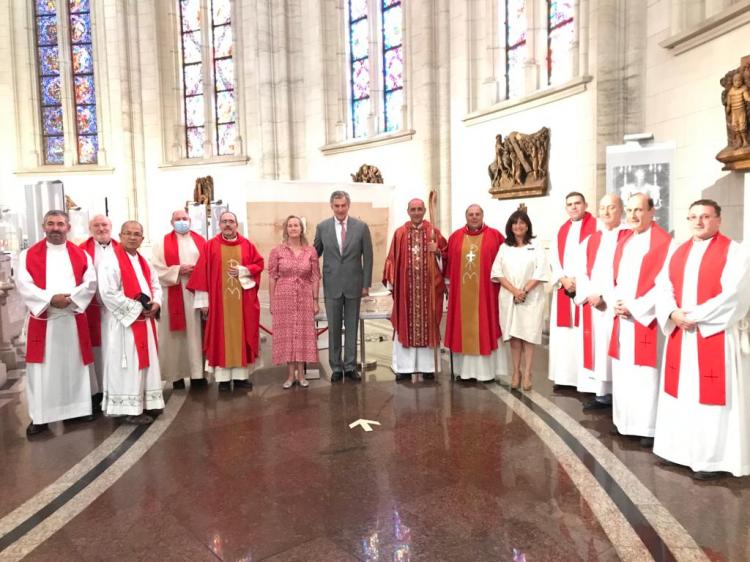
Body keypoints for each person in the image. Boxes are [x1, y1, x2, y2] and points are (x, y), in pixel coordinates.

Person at [654, 199, 750, 479]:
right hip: (683, 334)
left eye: (705, 216)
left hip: (714, 335)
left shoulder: (735, 252)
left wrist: (693, 316)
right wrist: (672, 312)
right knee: (682, 393)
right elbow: (663, 288)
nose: (699, 222)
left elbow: (735, 295)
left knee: (712, 401)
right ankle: (680, 451)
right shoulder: (678, 252)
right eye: (693, 216)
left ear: (718, 220)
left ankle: (712, 459)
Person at [16, 210, 97, 437]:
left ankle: (78, 410)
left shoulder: (81, 255)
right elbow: (24, 283)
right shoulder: (28, 255)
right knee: (42, 369)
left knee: (74, 365)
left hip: (71, 317)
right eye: (51, 224)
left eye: (60, 224)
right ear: (44, 227)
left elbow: (90, 282)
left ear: (68, 227)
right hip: (45, 319)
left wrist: (70, 299)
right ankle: (41, 417)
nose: (55, 228)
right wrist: (51, 299)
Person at [608, 193, 675, 447]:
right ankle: (625, 422)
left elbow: (665, 285)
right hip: (623, 316)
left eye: (639, 210)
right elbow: (616, 278)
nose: (633, 215)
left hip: (645, 319)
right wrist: (616, 301)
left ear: (651, 212)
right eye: (630, 210)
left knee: (646, 374)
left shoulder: (664, 243)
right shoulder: (625, 241)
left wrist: (634, 307)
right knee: (624, 371)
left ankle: (646, 427)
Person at [188, 211, 264, 392]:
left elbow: (259, 265)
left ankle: (240, 378)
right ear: (219, 225)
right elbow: (201, 275)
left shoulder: (247, 245)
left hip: (243, 302)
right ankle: (222, 380)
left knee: (243, 335)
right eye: (224, 222)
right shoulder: (210, 246)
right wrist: (203, 301)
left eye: (231, 221)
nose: (228, 224)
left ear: (236, 224)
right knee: (219, 338)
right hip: (218, 304)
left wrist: (244, 270)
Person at [98, 220, 164, 425]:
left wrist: (156, 304)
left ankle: (146, 403)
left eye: (137, 234)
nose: (133, 237)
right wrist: (137, 309)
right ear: (120, 235)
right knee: (128, 365)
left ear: (142, 239)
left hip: (144, 321)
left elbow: (156, 285)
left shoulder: (143, 261)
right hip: (124, 325)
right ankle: (129, 409)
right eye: (128, 233)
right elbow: (108, 293)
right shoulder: (111, 260)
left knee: (146, 363)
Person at [383, 198, 448, 381]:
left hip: (429, 291)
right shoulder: (400, 233)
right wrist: (393, 283)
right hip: (406, 292)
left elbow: (446, 258)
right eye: (413, 209)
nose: (417, 212)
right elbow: (392, 260)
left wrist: (437, 252)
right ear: (408, 211)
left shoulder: (433, 232)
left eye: (420, 209)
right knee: (406, 324)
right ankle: (404, 368)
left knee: (428, 325)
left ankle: (428, 368)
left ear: (425, 210)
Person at [313, 190, 373, 383]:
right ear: (332, 206)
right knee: (334, 329)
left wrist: (366, 285)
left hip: (354, 286)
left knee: (352, 326)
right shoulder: (322, 227)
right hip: (332, 286)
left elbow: (369, 258)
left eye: (343, 205)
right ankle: (336, 367)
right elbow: (314, 255)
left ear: (348, 206)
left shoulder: (361, 227)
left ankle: (350, 366)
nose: (340, 209)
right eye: (337, 206)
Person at [574, 194, 627, 410]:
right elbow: (582, 272)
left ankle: (619, 395)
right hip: (594, 304)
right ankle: (602, 394)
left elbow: (628, 274)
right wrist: (589, 295)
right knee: (599, 348)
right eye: (603, 207)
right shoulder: (592, 239)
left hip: (614, 303)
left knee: (616, 348)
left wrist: (605, 296)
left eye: (611, 207)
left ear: (621, 209)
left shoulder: (629, 237)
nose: (606, 212)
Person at [444, 204, 508, 382]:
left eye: (477, 214)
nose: (474, 217)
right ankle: (463, 371)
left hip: (487, 294)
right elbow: (446, 261)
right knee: (462, 330)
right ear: (466, 216)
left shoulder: (495, 236)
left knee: (486, 326)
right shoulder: (456, 237)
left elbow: (507, 259)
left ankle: (486, 372)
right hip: (461, 294)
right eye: (471, 214)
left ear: (482, 215)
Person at [490, 209, 549, 390]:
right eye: (515, 223)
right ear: (510, 226)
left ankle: (528, 372)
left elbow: (541, 271)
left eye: (522, 222)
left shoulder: (536, 245)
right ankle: (516, 371)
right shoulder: (504, 247)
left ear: (527, 225)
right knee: (514, 335)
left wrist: (524, 290)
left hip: (531, 297)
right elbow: (497, 272)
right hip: (509, 296)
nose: (518, 226)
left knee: (528, 334)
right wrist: (515, 291)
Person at [151, 210, 207, 390]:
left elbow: (209, 265)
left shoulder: (201, 242)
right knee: (175, 336)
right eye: (178, 219)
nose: (181, 221)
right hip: (172, 292)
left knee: (196, 334)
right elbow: (155, 269)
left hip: (195, 293)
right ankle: (176, 376)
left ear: (190, 220)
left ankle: (198, 375)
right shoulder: (161, 243)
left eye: (184, 219)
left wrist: (196, 271)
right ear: (171, 222)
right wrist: (177, 270)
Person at [549, 192, 597, 390]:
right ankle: (564, 377)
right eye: (570, 204)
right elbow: (553, 257)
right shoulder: (561, 230)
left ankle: (585, 380)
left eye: (578, 203)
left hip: (586, 289)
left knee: (583, 334)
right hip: (564, 288)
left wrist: (580, 282)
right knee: (565, 334)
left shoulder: (597, 227)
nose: (574, 207)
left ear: (585, 204)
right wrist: (563, 279)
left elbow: (599, 257)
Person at [268, 215, 321, 388]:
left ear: (301, 229)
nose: (293, 228)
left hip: (305, 297)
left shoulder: (310, 251)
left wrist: (315, 300)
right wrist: (272, 301)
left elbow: (315, 277)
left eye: (296, 225)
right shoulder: (277, 251)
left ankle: (302, 374)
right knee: (288, 334)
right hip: (284, 297)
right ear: (286, 229)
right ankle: (290, 375)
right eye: (290, 226)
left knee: (303, 334)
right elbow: (272, 277)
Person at [79, 214, 119, 413]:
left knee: (115, 348)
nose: (101, 228)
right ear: (90, 228)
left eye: (104, 224)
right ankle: (97, 391)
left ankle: (116, 388)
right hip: (92, 309)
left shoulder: (122, 249)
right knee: (96, 351)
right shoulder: (80, 251)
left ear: (111, 227)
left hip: (116, 310)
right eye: (97, 225)